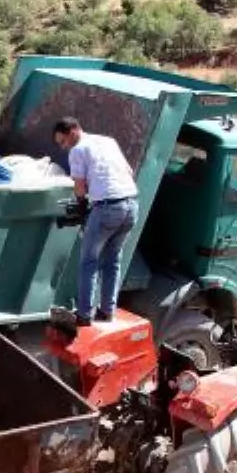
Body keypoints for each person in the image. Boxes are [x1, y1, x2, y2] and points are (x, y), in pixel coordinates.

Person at [52, 116, 139, 326]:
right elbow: (128, 171)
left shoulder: (78, 150)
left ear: (73, 131)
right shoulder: (108, 141)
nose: (63, 147)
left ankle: (83, 315)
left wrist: (82, 205)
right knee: (113, 261)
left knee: (88, 262)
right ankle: (107, 311)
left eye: (62, 141)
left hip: (108, 208)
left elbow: (79, 187)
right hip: (132, 205)